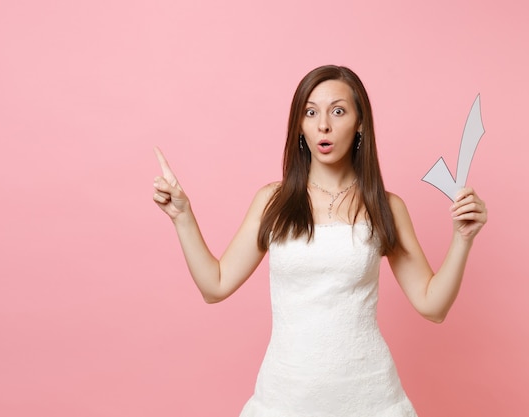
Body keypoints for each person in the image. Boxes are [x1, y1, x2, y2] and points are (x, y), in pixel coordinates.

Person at [152, 65, 487, 417]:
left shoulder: (385, 207)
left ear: (360, 124)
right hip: (285, 398)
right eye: (310, 112)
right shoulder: (273, 201)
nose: (323, 125)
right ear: (300, 125)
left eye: (338, 111)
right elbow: (214, 285)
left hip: (370, 399)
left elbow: (432, 306)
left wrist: (462, 239)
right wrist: (182, 216)